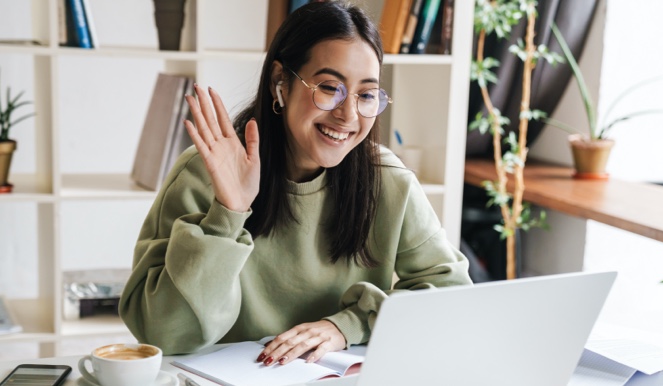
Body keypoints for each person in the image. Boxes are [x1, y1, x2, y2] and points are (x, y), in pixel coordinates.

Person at [119, 0, 472, 367]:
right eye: (329, 87)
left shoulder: (387, 179)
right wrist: (228, 213)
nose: (348, 115)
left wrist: (349, 325)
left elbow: (453, 297)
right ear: (281, 83)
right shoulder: (205, 172)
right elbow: (164, 334)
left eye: (366, 95)